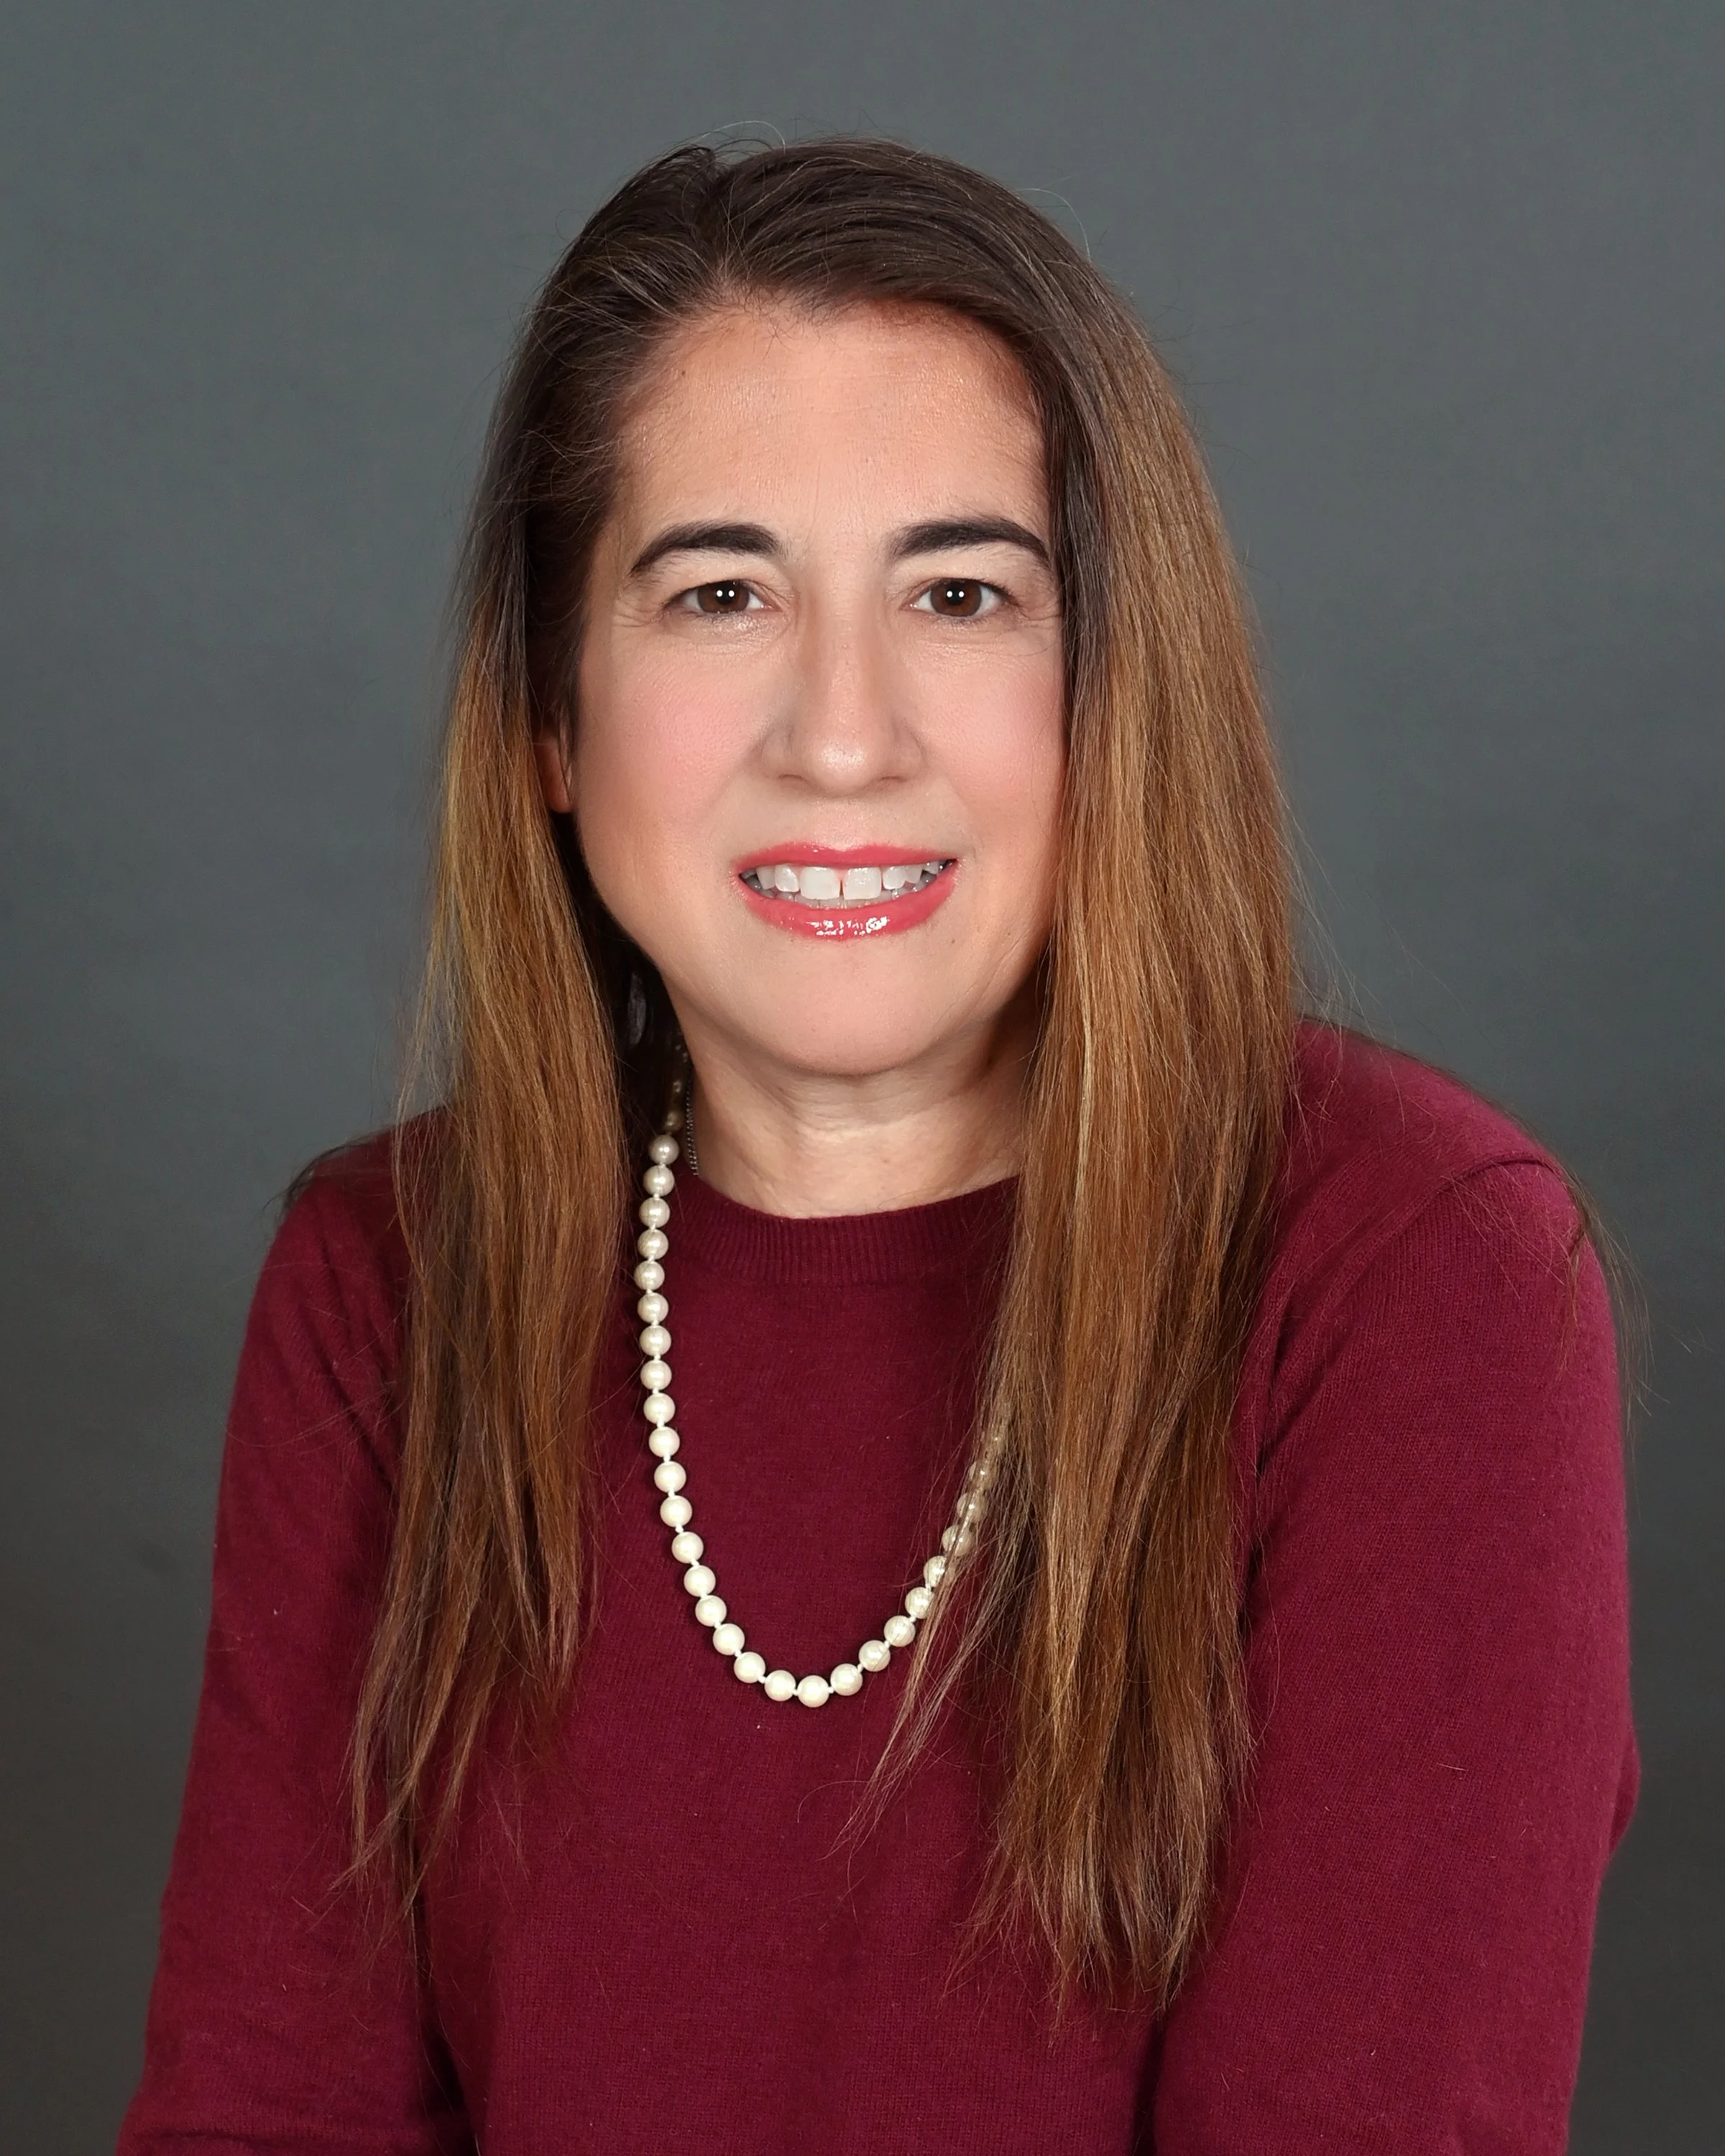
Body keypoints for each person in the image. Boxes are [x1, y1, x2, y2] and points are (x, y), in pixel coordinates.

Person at [119, 139, 1636, 2155]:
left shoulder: (1414, 1273)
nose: (843, 734)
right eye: (722, 591)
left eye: (960, 591)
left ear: (1107, 694)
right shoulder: (387, 1278)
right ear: (553, 721)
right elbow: (264, 2119)